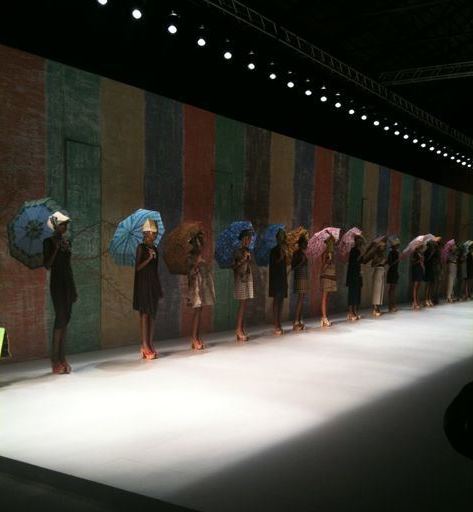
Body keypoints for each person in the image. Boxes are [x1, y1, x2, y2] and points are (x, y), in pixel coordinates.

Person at [43, 211, 77, 374]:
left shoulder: (67, 242)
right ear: (56, 226)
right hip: (57, 284)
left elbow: (67, 265)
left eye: (66, 224)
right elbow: (47, 265)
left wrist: (73, 288)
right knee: (60, 319)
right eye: (62, 224)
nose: (65, 227)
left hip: (68, 282)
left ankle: (63, 357)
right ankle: (55, 360)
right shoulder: (48, 242)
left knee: (66, 319)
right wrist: (56, 249)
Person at [133, 219, 163, 360]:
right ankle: (144, 345)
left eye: (155, 233)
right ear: (146, 233)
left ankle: (150, 343)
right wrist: (148, 259)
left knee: (152, 314)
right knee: (145, 313)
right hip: (143, 284)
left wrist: (158, 285)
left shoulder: (155, 249)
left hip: (152, 283)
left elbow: (155, 270)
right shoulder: (141, 248)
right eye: (153, 233)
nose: (155, 235)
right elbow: (137, 268)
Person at [187, 231, 215, 350]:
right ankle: (194, 337)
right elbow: (190, 273)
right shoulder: (190, 258)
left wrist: (204, 264)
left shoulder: (200, 257)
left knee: (200, 310)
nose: (199, 247)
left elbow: (205, 271)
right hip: (194, 287)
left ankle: (197, 336)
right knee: (197, 310)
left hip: (201, 285)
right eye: (197, 244)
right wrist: (196, 264)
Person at [233, 229, 254, 342]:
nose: (248, 241)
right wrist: (243, 259)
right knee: (242, 304)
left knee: (245, 304)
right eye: (246, 238)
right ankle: (238, 329)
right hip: (240, 279)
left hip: (247, 278)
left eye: (249, 239)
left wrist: (248, 260)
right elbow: (234, 266)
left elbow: (249, 265)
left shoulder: (248, 251)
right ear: (242, 239)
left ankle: (241, 328)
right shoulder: (238, 251)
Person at [269, 228, 288, 335]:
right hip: (275, 279)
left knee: (281, 300)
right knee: (276, 300)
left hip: (282, 278)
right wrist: (280, 258)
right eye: (280, 237)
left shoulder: (284, 250)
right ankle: (276, 324)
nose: (282, 239)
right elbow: (273, 265)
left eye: (283, 237)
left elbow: (285, 265)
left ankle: (279, 322)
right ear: (277, 239)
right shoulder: (274, 251)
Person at [291, 233, 309, 330]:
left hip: (304, 277)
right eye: (304, 243)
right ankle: (296, 321)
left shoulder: (303, 253)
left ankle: (299, 320)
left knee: (302, 299)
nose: (306, 245)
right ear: (301, 244)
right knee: (300, 299)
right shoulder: (297, 253)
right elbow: (293, 267)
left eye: (306, 243)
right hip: (299, 277)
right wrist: (301, 262)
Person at [320, 234, 337, 327]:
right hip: (326, 277)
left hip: (331, 277)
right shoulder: (325, 253)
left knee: (327, 298)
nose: (332, 244)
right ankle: (324, 317)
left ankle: (324, 317)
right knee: (324, 297)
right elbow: (322, 268)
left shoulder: (332, 254)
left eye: (333, 242)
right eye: (331, 242)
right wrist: (327, 262)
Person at [346, 234, 364, 321]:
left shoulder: (359, 250)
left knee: (357, 293)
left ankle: (355, 311)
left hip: (358, 274)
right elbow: (353, 262)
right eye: (358, 240)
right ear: (356, 241)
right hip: (352, 274)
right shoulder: (353, 250)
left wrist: (362, 255)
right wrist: (360, 256)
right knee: (352, 293)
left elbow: (362, 261)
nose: (360, 242)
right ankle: (350, 312)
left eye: (360, 240)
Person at [370, 241, 387, 317]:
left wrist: (384, 262)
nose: (384, 248)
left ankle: (378, 307)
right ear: (379, 247)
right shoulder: (376, 255)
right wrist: (380, 263)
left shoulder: (383, 255)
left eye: (384, 247)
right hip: (377, 271)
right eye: (382, 246)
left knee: (380, 290)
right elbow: (372, 264)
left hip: (382, 271)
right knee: (376, 290)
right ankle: (375, 308)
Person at [386, 237, 401, 312]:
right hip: (391, 271)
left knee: (393, 289)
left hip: (395, 271)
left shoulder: (397, 253)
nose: (398, 246)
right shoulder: (391, 253)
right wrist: (397, 260)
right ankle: (390, 305)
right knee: (391, 289)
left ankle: (393, 305)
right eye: (397, 245)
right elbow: (390, 263)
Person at [411, 245, 425, 309]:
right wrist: (419, 261)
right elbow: (413, 262)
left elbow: (422, 262)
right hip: (416, 270)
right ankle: (414, 301)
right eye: (421, 247)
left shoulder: (421, 254)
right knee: (415, 286)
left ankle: (417, 300)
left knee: (419, 286)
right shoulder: (414, 253)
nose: (422, 248)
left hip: (420, 269)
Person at [423, 240, 436, 307]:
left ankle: (429, 298)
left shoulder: (433, 252)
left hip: (432, 268)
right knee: (427, 284)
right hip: (427, 268)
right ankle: (425, 299)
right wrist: (431, 254)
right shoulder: (426, 252)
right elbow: (425, 261)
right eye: (432, 245)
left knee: (431, 284)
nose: (433, 246)